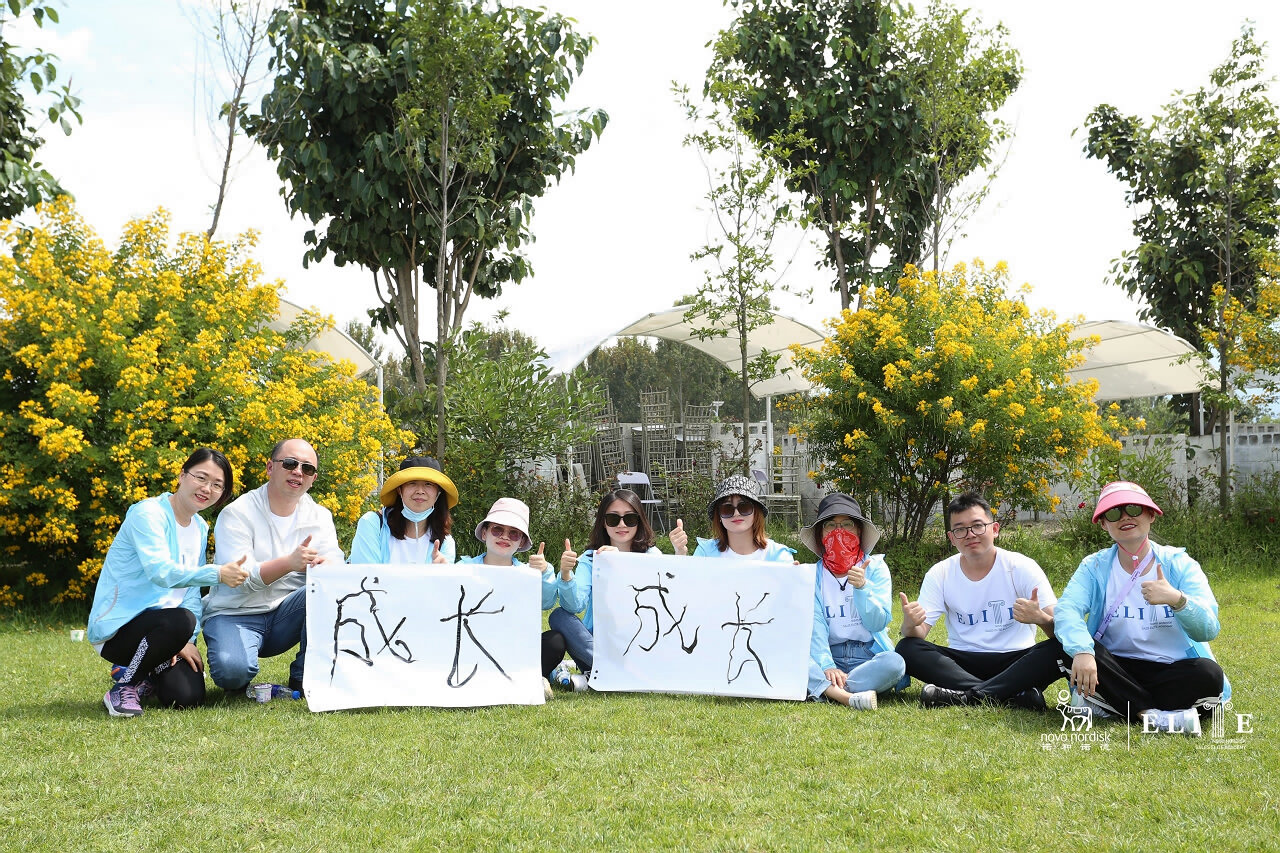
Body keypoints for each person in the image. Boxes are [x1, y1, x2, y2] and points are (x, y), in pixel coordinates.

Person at [1053, 481, 1228, 735]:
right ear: (1104, 524)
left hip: (1170, 668)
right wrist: (1082, 651)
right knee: (1072, 648)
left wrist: (1177, 599)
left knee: (1209, 674)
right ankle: (1151, 716)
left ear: (1150, 515)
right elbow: (1067, 609)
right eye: (1113, 513)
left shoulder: (1180, 564)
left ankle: (1113, 704)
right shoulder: (1094, 566)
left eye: (1133, 508)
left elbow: (1208, 629)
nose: (1124, 517)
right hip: (1117, 666)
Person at [88, 448, 250, 716]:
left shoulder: (199, 527)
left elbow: (191, 593)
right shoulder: (147, 514)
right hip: (120, 629)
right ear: (182, 475)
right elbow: (160, 572)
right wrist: (218, 573)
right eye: (201, 477)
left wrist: (186, 640)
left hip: (168, 629)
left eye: (217, 485)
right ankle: (124, 685)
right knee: (180, 620)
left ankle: (146, 673)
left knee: (187, 696)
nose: (207, 488)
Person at [203, 438, 344, 696]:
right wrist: (289, 563)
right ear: (270, 468)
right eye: (290, 463)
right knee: (232, 674)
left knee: (329, 589)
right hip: (235, 612)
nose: (298, 472)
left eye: (307, 468)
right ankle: (238, 665)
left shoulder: (320, 516)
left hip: (286, 613)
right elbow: (240, 578)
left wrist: (328, 565)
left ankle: (305, 676)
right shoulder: (238, 513)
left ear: (313, 479)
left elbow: (335, 559)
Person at [897, 491, 1061, 710]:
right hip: (963, 663)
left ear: (995, 529)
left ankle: (965, 697)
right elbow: (919, 633)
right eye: (960, 530)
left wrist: (1040, 618)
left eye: (977, 526)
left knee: (1060, 647)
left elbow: (1060, 630)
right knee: (907, 648)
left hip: (1017, 662)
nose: (970, 534)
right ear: (951, 537)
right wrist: (909, 624)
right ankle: (1011, 695)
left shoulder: (1021, 566)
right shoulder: (941, 573)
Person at [549, 489, 689, 689]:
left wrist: (679, 555)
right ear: (603, 523)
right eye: (613, 519)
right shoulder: (591, 558)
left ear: (639, 521)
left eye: (630, 519)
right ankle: (615, 672)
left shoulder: (651, 555)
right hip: (598, 645)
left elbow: (670, 597)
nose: (622, 525)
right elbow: (574, 605)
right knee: (559, 616)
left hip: (642, 640)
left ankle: (602, 675)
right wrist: (565, 575)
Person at [458, 497, 574, 699]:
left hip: (519, 646)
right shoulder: (464, 568)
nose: (504, 537)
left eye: (513, 533)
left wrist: (544, 574)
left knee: (554, 641)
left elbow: (546, 602)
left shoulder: (529, 571)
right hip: (476, 643)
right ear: (484, 533)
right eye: (497, 530)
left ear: (521, 541)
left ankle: (532, 676)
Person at [801, 494, 907, 711]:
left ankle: (829, 690)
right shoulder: (813, 574)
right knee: (793, 657)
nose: (839, 531)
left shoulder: (875, 567)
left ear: (859, 530)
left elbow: (878, 623)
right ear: (821, 534)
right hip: (830, 654)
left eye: (847, 524)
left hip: (866, 655)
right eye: (830, 525)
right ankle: (847, 695)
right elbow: (816, 623)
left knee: (895, 663)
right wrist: (827, 665)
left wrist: (862, 588)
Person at [349, 455, 458, 565]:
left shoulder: (445, 542)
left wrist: (443, 574)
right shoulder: (373, 524)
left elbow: (441, 581)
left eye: (428, 484)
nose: (420, 491)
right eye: (412, 483)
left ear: (438, 493)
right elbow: (367, 576)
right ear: (399, 490)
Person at [691, 475, 795, 562]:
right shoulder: (705, 553)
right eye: (727, 509)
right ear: (719, 516)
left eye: (744, 507)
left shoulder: (779, 556)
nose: (736, 514)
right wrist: (680, 555)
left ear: (756, 512)